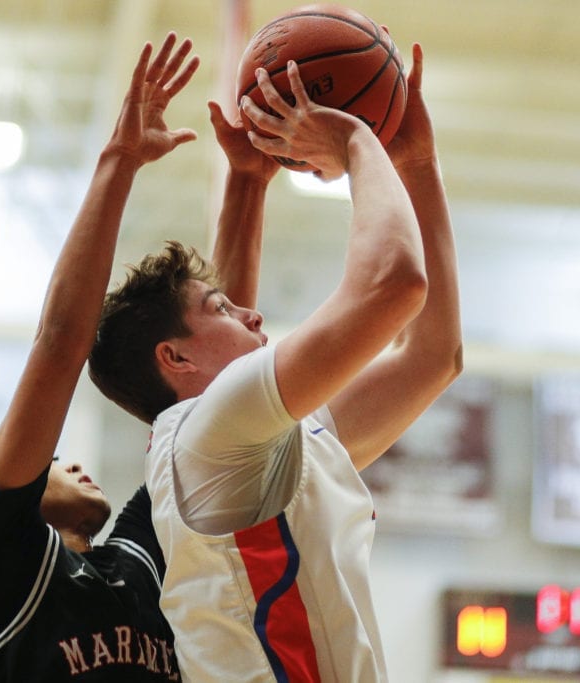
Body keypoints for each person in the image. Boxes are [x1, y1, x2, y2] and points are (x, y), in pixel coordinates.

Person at [88, 42, 462, 683]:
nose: (253, 316)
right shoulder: (208, 432)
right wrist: (355, 141)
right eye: (222, 311)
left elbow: (433, 357)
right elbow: (394, 282)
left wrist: (414, 161)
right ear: (173, 356)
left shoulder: (244, 444)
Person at [0, 34, 201, 682]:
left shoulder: (131, 566)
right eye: (51, 460)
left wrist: (251, 186)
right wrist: (117, 163)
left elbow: (215, 398)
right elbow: (61, 344)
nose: (69, 462)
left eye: (55, 459)